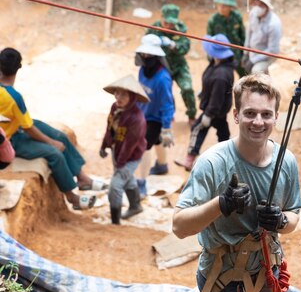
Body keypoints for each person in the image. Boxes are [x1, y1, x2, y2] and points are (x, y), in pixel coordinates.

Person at [172, 73, 301, 292]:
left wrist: (281, 221)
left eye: (266, 114)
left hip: (266, 270)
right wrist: (221, 204)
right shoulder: (214, 162)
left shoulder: (285, 161)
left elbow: (295, 215)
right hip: (225, 274)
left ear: (277, 117)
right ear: (235, 114)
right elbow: (180, 225)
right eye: (250, 113)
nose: (258, 121)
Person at [0, 47, 102, 210]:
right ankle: (72, 197)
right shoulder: (14, 97)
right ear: (19, 67)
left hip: (14, 126)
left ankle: (82, 178)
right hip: (8, 140)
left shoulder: (10, 95)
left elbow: (27, 124)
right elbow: (29, 128)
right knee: (54, 153)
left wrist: (53, 139)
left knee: (60, 136)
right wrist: (50, 142)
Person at [175, 34, 236, 172]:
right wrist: (203, 93)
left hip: (213, 110)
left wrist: (208, 114)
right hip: (217, 110)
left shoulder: (221, 75)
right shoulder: (216, 65)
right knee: (223, 134)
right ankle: (229, 157)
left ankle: (189, 159)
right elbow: (210, 85)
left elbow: (217, 97)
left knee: (197, 128)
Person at [100, 74, 148, 224]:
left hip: (130, 156)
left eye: (124, 95)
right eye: (117, 93)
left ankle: (115, 222)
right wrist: (104, 145)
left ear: (132, 97)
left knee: (115, 187)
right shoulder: (115, 108)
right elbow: (109, 127)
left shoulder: (137, 119)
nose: (118, 97)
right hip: (118, 150)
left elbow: (129, 145)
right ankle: (135, 206)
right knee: (127, 178)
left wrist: (120, 164)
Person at [134, 34, 176, 193]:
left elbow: (167, 105)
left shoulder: (163, 78)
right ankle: (162, 165)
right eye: (143, 54)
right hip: (144, 113)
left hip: (157, 117)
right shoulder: (142, 71)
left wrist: (166, 127)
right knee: (156, 140)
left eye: (149, 54)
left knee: (144, 145)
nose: (145, 57)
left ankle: (142, 182)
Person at [152, 3, 197, 121]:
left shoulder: (180, 28)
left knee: (187, 89)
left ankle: (191, 115)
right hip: (162, 66)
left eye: (172, 23)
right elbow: (146, 46)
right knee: (166, 91)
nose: (169, 26)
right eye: (166, 23)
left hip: (179, 65)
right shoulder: (154, 29)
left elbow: (185, 48)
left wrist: (173, 45)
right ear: (161, 17)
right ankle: (170, 114)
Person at [242, 0, 282, 75]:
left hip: (268, 55)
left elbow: (272, 50)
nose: (257, 7)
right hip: (254, 51)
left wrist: (253, 61)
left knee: (256, 71)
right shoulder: (253, 14)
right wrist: (246, 53)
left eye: (261, 4)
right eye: (256, 3)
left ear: (267, 6)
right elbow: (249, 33)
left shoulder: (274, 24)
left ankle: (264, 82)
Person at [206, 0, 246, 76]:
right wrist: (211, 57)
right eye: (219, 5)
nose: (221, 8)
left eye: (224, 6)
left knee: (245, 75)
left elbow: (242, 36)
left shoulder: (237, 17)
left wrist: (244, 54)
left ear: (230, 7)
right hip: (220, 54)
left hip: (236, 54)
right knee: (221, 76)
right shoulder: (213, 20)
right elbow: (209, 40)